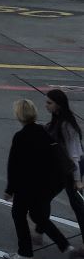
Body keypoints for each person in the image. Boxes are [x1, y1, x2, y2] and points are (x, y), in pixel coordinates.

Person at [2, 98, 81, 259]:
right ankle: (66, 247)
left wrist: (9, 190)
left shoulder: (20, 136)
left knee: (18, 214)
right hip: (43, 185)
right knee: (38, 216)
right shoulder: (43, 131)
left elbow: (14, 165)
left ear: (19, 115)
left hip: (26, 186)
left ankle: (25, 252)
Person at [32, 89, 84, 239]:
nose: (46, 106)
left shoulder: (67, 125)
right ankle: (41, 230)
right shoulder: (56, 120)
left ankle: (40, 231)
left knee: (77, 205)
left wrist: (77, 180)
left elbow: (75, 153)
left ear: (59, 105)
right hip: (62, 167)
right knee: (44, 198)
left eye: (49, 103)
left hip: (72, 167)